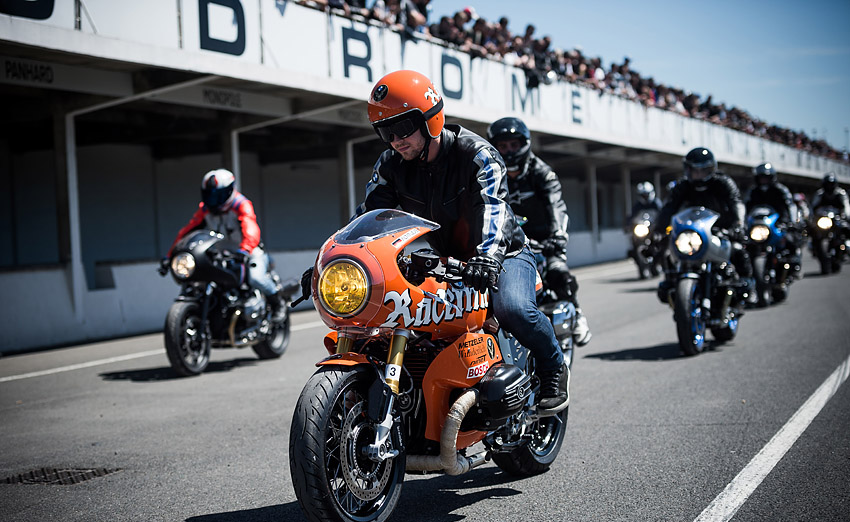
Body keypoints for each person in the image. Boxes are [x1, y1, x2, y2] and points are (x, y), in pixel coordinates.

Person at [306, 70, 569, 414]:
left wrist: (488, 259)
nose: (396, 140)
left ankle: (553, 368)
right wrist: (331, 265)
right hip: (444, 258)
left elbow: (494, 209)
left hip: (503, 253)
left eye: (403, 128)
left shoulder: (477, 155)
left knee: (512, 309)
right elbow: (367, 218)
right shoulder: (392, 164)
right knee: (403, 318)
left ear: (430, 118)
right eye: (386, 132)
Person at [485, 116, 591, 346]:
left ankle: (578, 313)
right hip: (506, 243)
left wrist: (558, 236)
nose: (509, 150)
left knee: (558, 272)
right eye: (502, 146)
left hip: (543, 239)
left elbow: (556, 205)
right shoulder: (489, 173)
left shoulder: (542, 172)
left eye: (513, 144)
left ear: (525, 144)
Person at [163, 169, 287, 323]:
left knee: (256, 278)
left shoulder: (241, 204)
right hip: (219, 253)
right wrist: (170, 255)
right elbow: (187, 232)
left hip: (247, 251)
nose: (214, 200)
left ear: (229, 191)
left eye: (218, 195)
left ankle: (278, 304)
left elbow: (250, 228)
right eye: (210, 195)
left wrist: (245, 249)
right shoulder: (205, 210)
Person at [654, 147, 753, 300]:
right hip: (691, 232)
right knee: (668, 253)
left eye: (703, 170)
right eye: (695, 170)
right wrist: (658, 230)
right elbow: (668, 208)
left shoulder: (723, 183)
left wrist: (738, 224)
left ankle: (745, 283)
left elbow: (736, 203)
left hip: (720, 230)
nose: (698, 174)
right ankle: (670, 282)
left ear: (711, 169)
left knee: (737, 249)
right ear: (688, 169)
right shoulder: (682, 186)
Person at [745, 162, 801, 274]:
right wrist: (742, 223)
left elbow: (790, 206)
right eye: (761, 177)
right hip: (758, 225)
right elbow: (745, 207)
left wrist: (792, 222)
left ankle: (795, 265)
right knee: (744, 247)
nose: (763, 180)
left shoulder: (781, 190)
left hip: (778, 223)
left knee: (790, 240)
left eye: (766, 177)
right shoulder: (753, 191)